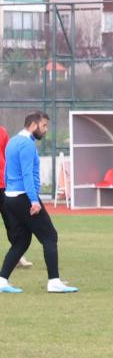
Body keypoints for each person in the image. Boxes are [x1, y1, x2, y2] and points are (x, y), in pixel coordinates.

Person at [1, 111, 77, 293]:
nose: (45, 130)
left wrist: (9, 192)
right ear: (33, 125)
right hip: (24, 197)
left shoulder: (12, 141)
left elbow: (6, 170)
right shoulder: (27, 144)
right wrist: (34, 200)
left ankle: (2, 280)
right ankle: (54, 281)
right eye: (44, 126)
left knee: (21, 241)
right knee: (50, 236)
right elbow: (27, 174)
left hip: (10, 197)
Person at [0, 123, 32, 270]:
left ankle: (17, 256)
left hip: (3, 185)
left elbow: (8, 157)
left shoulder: (2, 131)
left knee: (12, 222)